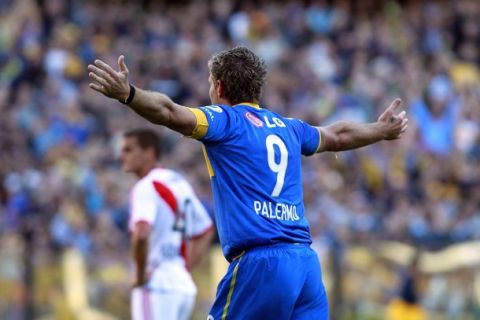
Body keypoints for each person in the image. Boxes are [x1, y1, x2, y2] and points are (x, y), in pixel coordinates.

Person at [88, 46, 408, 319]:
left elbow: (169, 113)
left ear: (220, 88)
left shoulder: (224, 121)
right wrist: (381, 130)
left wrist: (128, 94)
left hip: (260, 264)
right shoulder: (288, 127)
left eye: (211, 84)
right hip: (305, 264)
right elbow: (338, 135)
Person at [121, 128, 214, 320]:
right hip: (182, 287)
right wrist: (183, 268)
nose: (122, 155)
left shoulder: (146, 187)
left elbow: (142, 233)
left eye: (129, 149)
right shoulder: (179, 182)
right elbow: (205, 229)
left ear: (149, 152)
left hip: (156, 285)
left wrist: (139, 277)